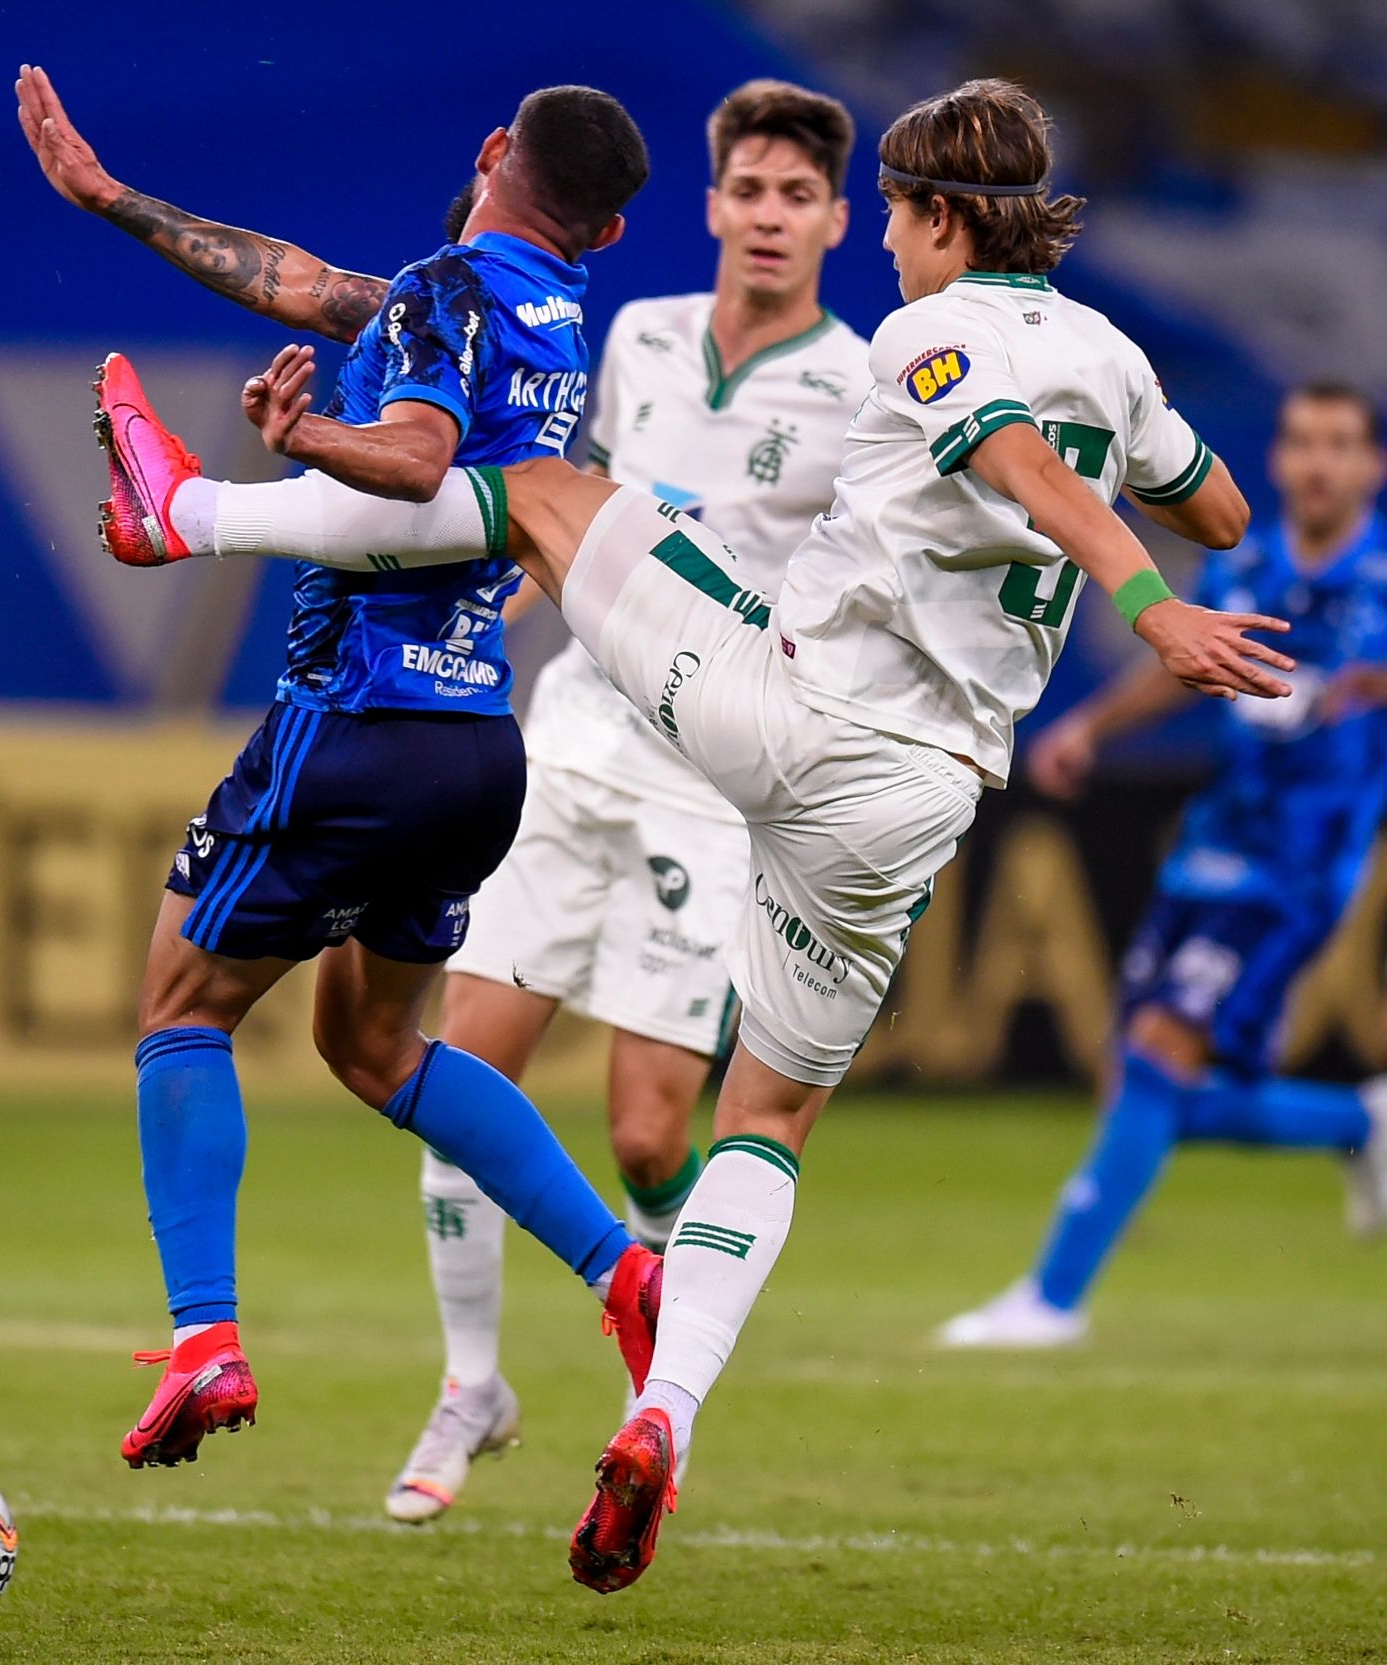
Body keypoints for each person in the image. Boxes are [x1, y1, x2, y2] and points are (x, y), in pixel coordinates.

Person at [93, 79, 1289, 1589]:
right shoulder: (1114, 359)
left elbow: (1019, 467)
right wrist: (1161, 529)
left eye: (894, 229)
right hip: (914, 809)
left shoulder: (928, 331)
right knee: (766, 1125)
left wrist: (1143, 600)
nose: (888, 261)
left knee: (538, 489)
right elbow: (1224, 506)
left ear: (923, 215)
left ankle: (182, 512)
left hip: (776, 715)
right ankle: (663, 1410)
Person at [19, 67, 673, 1473]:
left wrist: (311, 437)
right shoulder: (552, 326)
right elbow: (302, 283)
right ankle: (628, 1274)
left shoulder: (445, 290)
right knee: (373, 1046)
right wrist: (113, 197)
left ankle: (206, 1340)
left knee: (183, 1004)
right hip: (474, 750)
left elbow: (421, 459)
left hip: (357, 720)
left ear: (492, 148)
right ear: (607, 235)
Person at [393, 79, 869, 1526]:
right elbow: (552, 491)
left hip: (711, 782)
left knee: (656, 1135)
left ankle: (654, 1399)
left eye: (799, 197)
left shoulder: (858, 385)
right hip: (576, 741)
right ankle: (471, 1381)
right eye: (750, 192)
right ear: (713, 206)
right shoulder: (636, 334)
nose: (770, 217)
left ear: (837, 223)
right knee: (461, 1077)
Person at [940, 382, 1387, 1349]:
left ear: (1371, 466)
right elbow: (1185, 663)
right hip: (1215, 843)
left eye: (1340, 444)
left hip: (1296, 866)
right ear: (1276, 459)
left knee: (1158, 1055)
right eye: (1302, 441)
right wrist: (1092, 729)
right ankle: (1356, 1122)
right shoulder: (1255, 562)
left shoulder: (1382, 579)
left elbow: (1356, 682)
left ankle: (1052, 1298)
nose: (1318, 462)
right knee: (1138, 1077)